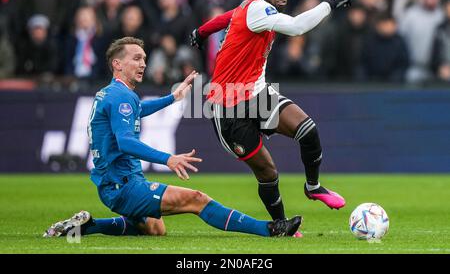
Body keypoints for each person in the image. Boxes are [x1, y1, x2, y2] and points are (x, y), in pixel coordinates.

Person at [43, 37, 301, 238]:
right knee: (196, 199)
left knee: (156, 230)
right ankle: (271, 229)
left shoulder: (112, 94)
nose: (143, 63)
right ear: (117, 64)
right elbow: (125, 142)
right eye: (136, 58)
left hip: (116, 185)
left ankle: (88, 226)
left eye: (144, 58)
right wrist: (168, 159)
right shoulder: (120, 96)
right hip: (124, 185)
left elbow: (138, 110)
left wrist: (173, 97)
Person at [189, 0, 350, 231]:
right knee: (268, 172)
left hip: (256, 93)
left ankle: (313, 186)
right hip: (227, 106)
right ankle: (281, 223)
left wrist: (202, 31)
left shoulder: (248, 6)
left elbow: (228, 16)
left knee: (307, 129)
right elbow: (298, 27)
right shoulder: (257, 10)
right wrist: (330, 3)